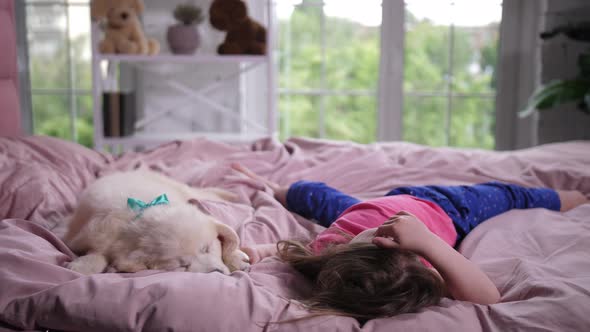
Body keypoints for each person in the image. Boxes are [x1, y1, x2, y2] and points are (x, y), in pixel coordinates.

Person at [232, 163, 588, 321]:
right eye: (393, 239)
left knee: (312, 196)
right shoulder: (421, 264)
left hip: (357, 209)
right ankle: (575, 197)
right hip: (442, 208)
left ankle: (270, 185)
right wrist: (427, 242)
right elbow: (488, 296)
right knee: (508, 195)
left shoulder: (331, 249)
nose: (390, 230)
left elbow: (292, 249)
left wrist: (257, 251)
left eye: (379, 238)